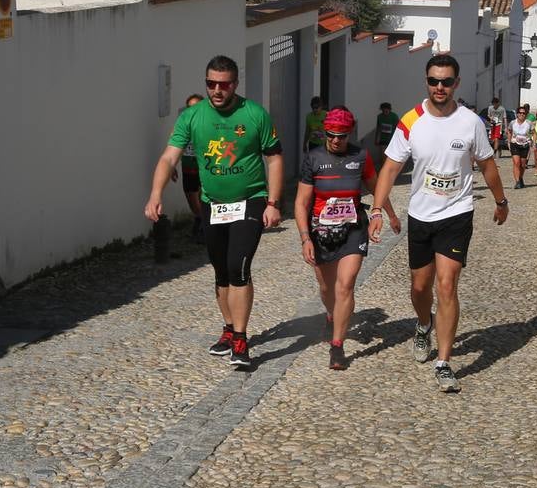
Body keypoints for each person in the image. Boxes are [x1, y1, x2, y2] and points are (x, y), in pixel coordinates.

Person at [370, 54, 508, 392]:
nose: (440, 87)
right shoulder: (411, 121)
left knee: (446, 285)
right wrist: (376, 209)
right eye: (434, 81)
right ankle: (423, 323)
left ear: (456, 83)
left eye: (447, 81)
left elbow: (487, 165)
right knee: (420, 288)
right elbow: (389, 168)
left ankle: (444, 362)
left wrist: (501, 200)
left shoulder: (470, 122)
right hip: (421, 215)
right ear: (427, 82)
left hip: (457, 214)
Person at [145, 55, 283, 369]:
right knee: (221, 271)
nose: (217, 90)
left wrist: (273, 203)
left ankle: (241, 338)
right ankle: (228, 327)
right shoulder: (192, 116)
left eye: (224, 84)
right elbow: (169, 158)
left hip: (250, 200)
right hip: (213, 204)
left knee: (238, 266)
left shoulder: (254, 114)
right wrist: (156, 194)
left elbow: (274, 158)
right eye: (211, 84)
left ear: (235, 84)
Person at [295, 107, 401, 370]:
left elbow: (377, 188)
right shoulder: (313, 158)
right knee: (326, 288)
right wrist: (305, 238)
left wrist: (390, 214)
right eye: (330, 135)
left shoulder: (360, 156)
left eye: (341, 136)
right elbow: (301, 202)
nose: (335, 140)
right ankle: (332, 315)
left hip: (353, 229)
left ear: (349, 133)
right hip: (320, 232)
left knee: (346, 285)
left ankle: (337, 346)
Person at [178, 93, 206, 241]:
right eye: (190, 107)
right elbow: (174, 144)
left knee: (204, 198)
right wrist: (171, 166)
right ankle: (200, 220)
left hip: (205, 167)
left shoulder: (208, 123)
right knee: (191, 199)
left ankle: (204, 228)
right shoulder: (183, 123)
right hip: (188, 167)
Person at [509, 105, 534, 188]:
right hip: (514, 144)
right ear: (517, 114)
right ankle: (517, 182)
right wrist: (509, 141)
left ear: (526, 114)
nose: (522, 114)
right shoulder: (513, 122)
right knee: (516, 163)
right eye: (520, 113)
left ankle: (520, 178)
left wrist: (533, 142)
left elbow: (534, 132)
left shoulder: (529, 123)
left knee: (522, 165)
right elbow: (509, 131)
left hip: (525, 145)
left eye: (523, 113)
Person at [374, 102, 399, 166]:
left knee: (391, 156)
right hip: (382, 139)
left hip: (392, 140)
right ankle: (383, 168)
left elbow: (398, 128)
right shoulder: (379, 116)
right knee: (383, 155)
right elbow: (378, 128)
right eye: (383, 110)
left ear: (389, 109)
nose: (385, 111)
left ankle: (390, 167)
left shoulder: (394, 116)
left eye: (386, 109)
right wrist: (376, 139)